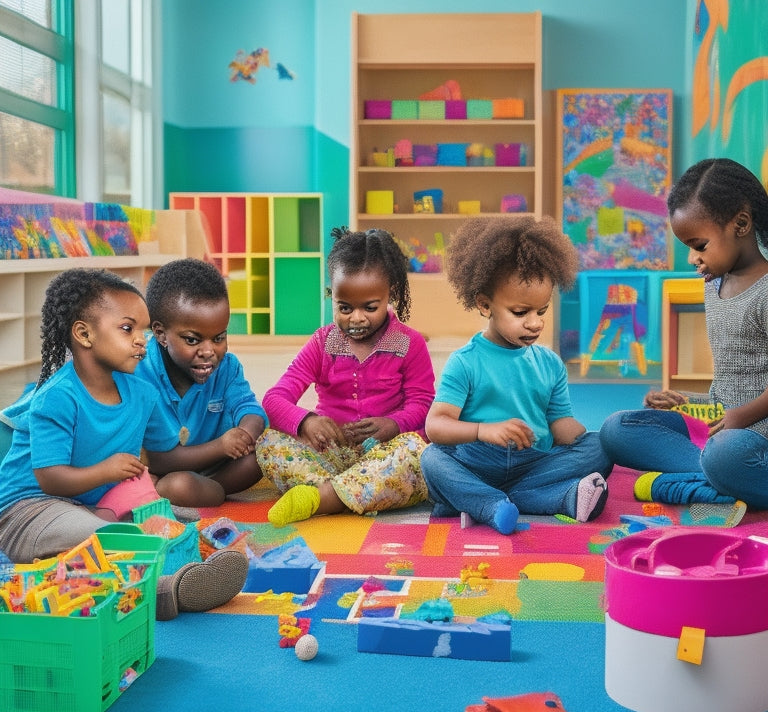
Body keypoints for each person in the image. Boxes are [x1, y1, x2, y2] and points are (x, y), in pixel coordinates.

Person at [0, 269, 248, 620]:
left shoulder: (141, 393)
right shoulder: (57, 397)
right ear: (84, 334)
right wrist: (108, 470)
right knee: (109, 538)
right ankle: (168, 590)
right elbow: (49, 479)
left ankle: (174, 547)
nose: (141, 341)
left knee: (161, 516)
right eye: (128, 328)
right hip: (33, 509)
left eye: (144, 331)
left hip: (94, 500)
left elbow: (164, 456)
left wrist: (155, 502)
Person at [420, 216, 613, 534]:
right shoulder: (465, 362)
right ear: (485, 305)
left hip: (535, 462)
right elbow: (436, 425)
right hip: (477, 460)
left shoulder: (550, 363)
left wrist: (594, 441)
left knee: (601, 446)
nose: (535, 323)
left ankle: (494, 500)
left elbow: (560, 423)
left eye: (542, 311)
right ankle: (492, 504)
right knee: (432, 458)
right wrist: (484, 431)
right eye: (521, 313)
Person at [599, 158, 768, 512]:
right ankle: (717, 480)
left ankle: (710, 479)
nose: (692, 257)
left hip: (754, 434)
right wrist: (686, 399)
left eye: (700, 245)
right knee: (616, 429)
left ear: (740, 224)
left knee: (725, 455)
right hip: (721, 423)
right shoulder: (714, 285)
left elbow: (741, 406)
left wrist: (742, 417)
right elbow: (731, 384)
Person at [254, 226, 435, 527]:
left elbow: (425, 404)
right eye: (344, 307)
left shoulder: (409, 344)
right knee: (268, 443)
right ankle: (353, 493)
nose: (357, 318)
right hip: (330, 457)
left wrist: (393, 424)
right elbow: (274, 400)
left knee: (420, 454)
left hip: (386, 455)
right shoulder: (322, 342)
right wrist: (306, 420)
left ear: (390, 294)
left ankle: (322, 498)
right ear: (331, 296)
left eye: (370, 307)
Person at [136, 258, 267, 507]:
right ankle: (207, 492)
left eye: (219, 337)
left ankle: (209, 490)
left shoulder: (227, 367)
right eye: (193, 340)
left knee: (262, 456)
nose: (209, 351)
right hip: (164, 469)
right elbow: (158, 459)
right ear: (161, 334)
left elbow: (249, 408)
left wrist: (246, 433)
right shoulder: (140, 371)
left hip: (215, 467)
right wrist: (221, 446)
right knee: (178, 485)